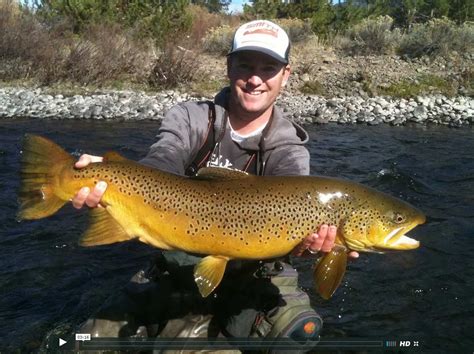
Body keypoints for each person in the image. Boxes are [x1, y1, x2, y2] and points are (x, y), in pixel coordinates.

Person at [72, 20, 358, 350]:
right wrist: (114, 177)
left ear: (285, 75)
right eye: (245, 65)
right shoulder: (191, 118)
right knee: (89, 342)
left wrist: (314, 246)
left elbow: (296, 231)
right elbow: (163, 158)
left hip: (255, 272)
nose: (255, 79)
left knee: (298, 335)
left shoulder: (289, 150)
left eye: (268, 68)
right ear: (228, 66)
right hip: (178, 259)